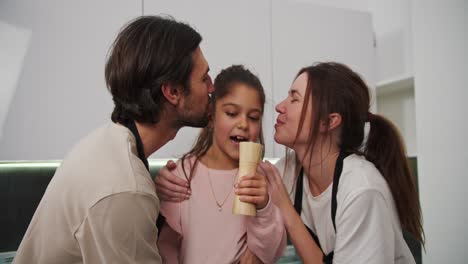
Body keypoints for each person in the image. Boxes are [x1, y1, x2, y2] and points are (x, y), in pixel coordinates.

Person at [157, 62, 425, 263]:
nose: (279, 107)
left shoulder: (362, 190)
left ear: (328, 122)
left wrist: (284, 207)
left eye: (294, 98)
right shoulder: (287, 171)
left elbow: (271, 228)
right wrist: (166, 181)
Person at [14, 15, 214, 264]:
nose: (212, 87)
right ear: (172, 92)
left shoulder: (107, 144)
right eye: (204, 78)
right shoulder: (126, 191)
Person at [156, 65, 286, 264]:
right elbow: (166, 246)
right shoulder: (182, 175)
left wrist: (264, 206)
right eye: (232, 113)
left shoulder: (262, 179)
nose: (243, 124)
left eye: (253, 117)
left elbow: (272, 251)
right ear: (211, 116)